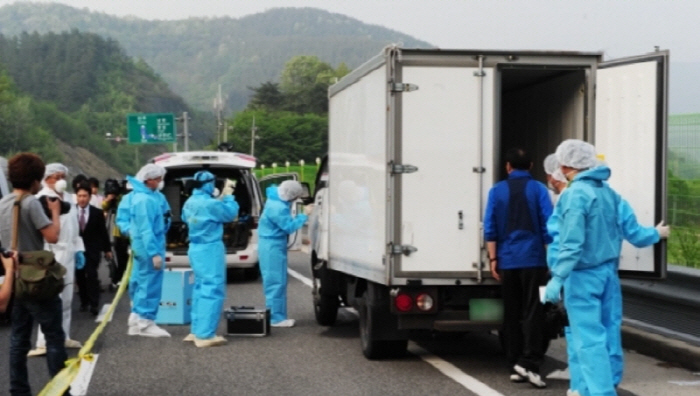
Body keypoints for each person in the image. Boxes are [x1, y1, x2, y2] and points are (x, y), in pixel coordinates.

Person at [545, 150, 670, 396]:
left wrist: (556, 278)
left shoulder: (573, 196)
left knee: (585, 339)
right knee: (609, 333)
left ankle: (592, 390)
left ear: (568, 166)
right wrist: (656, 234)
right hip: (608, 275)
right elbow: (634, 233)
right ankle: (602, 384)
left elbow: (570, 244)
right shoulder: (611, 195)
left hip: (580, 276)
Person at [0, 153, 70, 396]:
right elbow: (52, 237)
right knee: (53, 336)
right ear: (34, 180)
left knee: (19, 338)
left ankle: (18, 390)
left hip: (14, 276)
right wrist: (54, 211)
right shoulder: (30, 202)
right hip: (36, 279)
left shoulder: (3, 204)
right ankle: (59, 389)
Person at [484, 147, 552, 388]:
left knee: (511, 312)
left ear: (508, 167)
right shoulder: (539, 190)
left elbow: (490, 227)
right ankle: (531, 360)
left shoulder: (496, 191)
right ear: (531, 166)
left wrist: (493, 260)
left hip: (508, 260)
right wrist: (549, 260)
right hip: (534, 260)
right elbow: (548, 227)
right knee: (534, 311)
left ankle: (514, 362)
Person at [29, 163, 85, 357]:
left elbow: (75, 228)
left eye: (63, 176)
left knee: (68, 298)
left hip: (68, 253)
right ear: (47, 179)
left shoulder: (68, 198)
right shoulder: (40, 200)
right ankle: (43, 342)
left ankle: (64, 335)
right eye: (57, 176)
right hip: (50, 253)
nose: (61, 180)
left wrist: (79, 249)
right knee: (51, 298)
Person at [181, 171, 239, 347]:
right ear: (208, 184)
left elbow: (187, 217)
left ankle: (196, 330)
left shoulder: (190, 202)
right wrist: (228, 196)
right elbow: (230, 215)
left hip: (195, 248)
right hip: (210, 248)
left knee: (200, 288)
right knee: (212, 289)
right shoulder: (210, 203)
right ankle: (205, 335)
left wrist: (219, 199)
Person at [124, 164, 171, 337]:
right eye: (158, 179)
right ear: (148, 180)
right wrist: (154, 253)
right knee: (149, 284)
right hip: (148, 247)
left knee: (142, 282)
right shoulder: (144, 200)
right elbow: (147, 230)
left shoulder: (147, 197)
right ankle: (146, 322)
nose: (160, 182)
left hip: (144, 246)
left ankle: (137, 319)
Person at [258, 180, 308, 328]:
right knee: (276, 282)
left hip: (272, 244)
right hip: (272, 245)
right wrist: (304, 215)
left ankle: (277, 315)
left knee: (276, 280)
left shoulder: (275, 199)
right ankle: (276, 318)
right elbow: (289, 226)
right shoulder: (278, 207)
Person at [75, 181, 112, 316]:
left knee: (92, 275)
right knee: (80, 277)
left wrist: (107, 250)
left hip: (92, 250)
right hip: (77, 250)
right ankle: (84, 301)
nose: (82, 199)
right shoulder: (71, 212)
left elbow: (103, 232)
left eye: (85, 196)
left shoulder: (97, 213)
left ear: (89, 197)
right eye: (79, 196)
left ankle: (94, 304)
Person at [103, 179, 130, 290]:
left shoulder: (125, 198)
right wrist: (109, 199)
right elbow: (103, 207)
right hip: (118, 234)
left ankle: (122, 278)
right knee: (120, 258)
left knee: (126, 258)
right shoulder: (114, 200)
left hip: (129, 232)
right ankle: (119, 278)